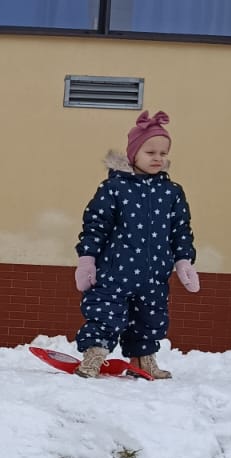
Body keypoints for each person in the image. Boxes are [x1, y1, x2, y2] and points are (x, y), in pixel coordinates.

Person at [73, 109, 200, 379]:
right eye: (150, 152)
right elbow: (95, 225)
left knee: (150, 318)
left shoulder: (172, 192)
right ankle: (94, 355)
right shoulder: (114, 188)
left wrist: (184, 261)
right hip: (115, 271)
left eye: (163, 153)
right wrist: (87, 260)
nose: (158, 158)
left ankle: (144, 359)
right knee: (105, 314)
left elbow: (181, 230)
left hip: (154, 274)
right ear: (133, 154)